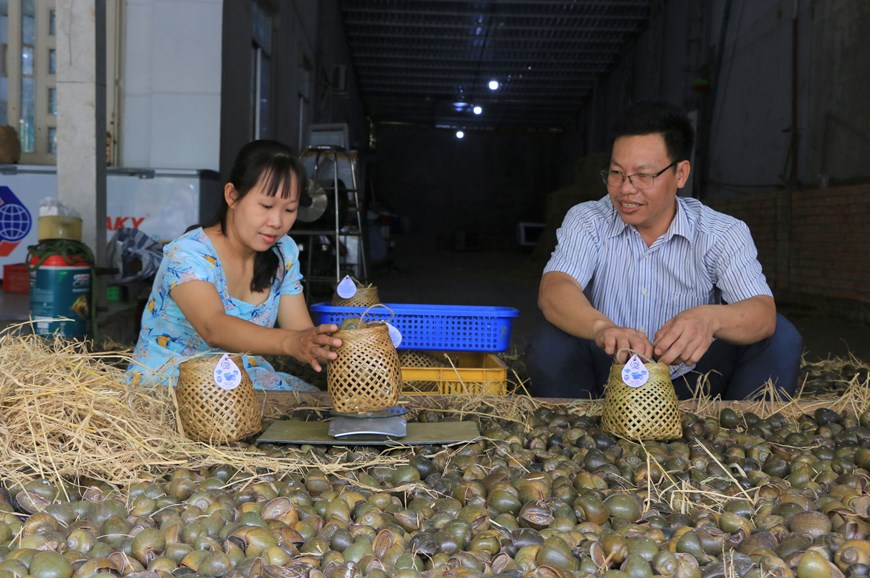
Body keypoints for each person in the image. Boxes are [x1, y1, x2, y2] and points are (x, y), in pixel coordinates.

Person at [526, 101, 803, 400]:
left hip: (695, 382)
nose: (625, 189)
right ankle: (574, 424)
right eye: (616, 173)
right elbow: (556, 288)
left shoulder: (721, 232)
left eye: (644, 175)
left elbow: (762, 312)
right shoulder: (588, 220)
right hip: (608, 376)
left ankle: (741, 424)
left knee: (780, 337)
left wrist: (710, 319)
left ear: (680, 174)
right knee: (551, 341)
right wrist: (602, 328)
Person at [127, 139, 341, 390]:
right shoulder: (187, 253)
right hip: (173, 384)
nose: (277, 221)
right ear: (232, 196)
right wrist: (291, 343)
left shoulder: (284, 251)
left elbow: (300, 332)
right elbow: (214, 328)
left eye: (289, 209)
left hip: (243, 381)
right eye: (266, 206)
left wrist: (334, 347)